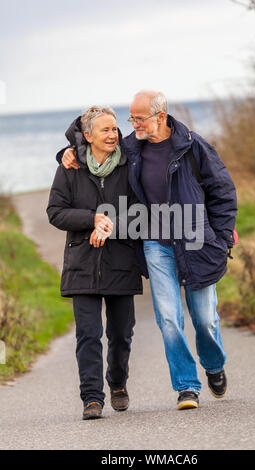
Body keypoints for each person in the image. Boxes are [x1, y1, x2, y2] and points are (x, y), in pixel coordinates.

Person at [59, 90, 237, 411]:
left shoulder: (193, 146)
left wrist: (222, 238)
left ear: (160, 116)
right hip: (155, 241)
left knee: (205, 319)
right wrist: (67, 151)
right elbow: (94, 145)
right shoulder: (133, 147)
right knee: (169, 318)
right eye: (131, 118)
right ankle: (186, 387)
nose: (133, 125)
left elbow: (222, 191)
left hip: (195, 237)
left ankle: (213, 365)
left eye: (139, 118)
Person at [47, 106, 144, 420]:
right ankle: (91, 398)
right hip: (82, 263)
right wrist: (92, 219)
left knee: (121, 333)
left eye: (114, 129)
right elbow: (56, 212)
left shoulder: (129, 165)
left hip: (121, 261)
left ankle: (117, 383)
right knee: (88, 334)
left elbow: (142, 212)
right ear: (87, 136)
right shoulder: (70, 167)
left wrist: (110, 222)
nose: (113, 135)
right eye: (105, 130)